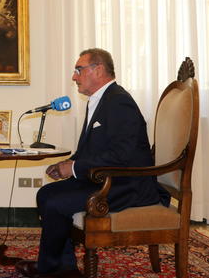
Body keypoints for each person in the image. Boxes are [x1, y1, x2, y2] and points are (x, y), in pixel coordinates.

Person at [15, 48, 170, 278]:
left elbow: (121, 155)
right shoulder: (99, 100)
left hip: (129, 185)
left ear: (98, 70)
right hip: (107, 178)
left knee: (57, 202)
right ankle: (63, 267)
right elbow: (92, 150)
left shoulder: (119, 102)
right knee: (46, 194)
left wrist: (75, 168)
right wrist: (68, 164)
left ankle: (52, 270)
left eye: (79, 69)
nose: (74, 76)